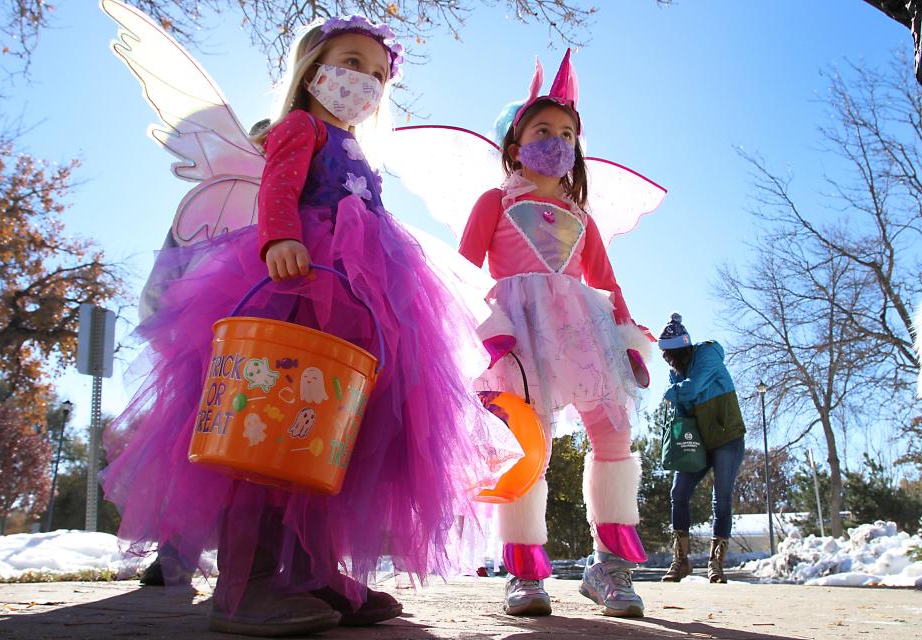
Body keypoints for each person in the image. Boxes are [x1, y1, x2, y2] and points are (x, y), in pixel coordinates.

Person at [103, 14, 509, 637]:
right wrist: (279, 240)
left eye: (377, 74)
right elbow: (277, 188)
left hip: (359, 296)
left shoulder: (360, 150)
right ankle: (249, 583)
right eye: (350, 63)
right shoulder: (300, 126)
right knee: (270, 426)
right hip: (298, 282)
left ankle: (313, 570)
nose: (364, 81)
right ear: (314, 67)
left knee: (328, 433)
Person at [458, 50, 654, 618]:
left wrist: (628, 338)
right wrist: (489, 332)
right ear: (516, 146)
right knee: (530, 446)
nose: (557, 140)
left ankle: (610, 568)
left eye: (567, 132)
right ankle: (524, 572)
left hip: (585, 335)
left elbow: (608, 282)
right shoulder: (494, 202)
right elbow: (463, 273)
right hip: (519, 338)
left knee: (614, 433)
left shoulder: (584, 216)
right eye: (544, 130)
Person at [657, 312, 746, 584]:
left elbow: (693, 388)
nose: (671, 361)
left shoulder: (707, 355)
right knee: (678, 492)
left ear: (685, 347)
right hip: (699, 442)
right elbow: (684, 406)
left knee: (721, 498)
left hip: (726, 437)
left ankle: (715, 564)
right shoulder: (676, 373)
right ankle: (681, 560)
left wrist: (672, 393)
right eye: (667, 356)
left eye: (673, 354)